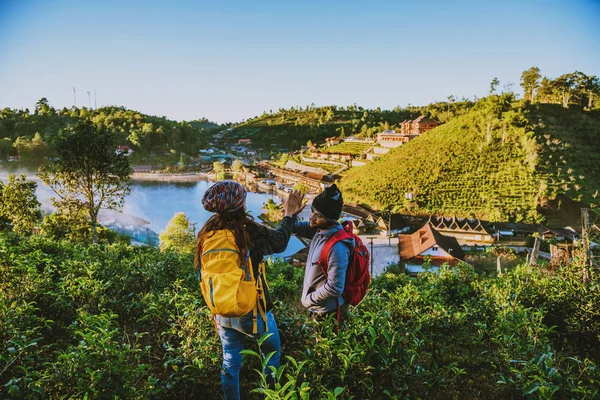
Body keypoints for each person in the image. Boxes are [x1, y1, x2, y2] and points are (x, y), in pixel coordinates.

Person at [195, 180, 305, 400]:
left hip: (222, 312)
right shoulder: (248, 231)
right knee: (271, 355)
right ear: (241, 205)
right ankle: (270, 396)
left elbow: (202, 274)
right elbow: (279, 242)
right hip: (253, 312)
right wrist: (289, 214)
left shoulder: (206, 234)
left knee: (230, 361)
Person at [292, 184, 354, 323]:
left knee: (328, 344)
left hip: (330, 312)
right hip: (319, 308)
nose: (312, 218)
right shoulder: (319, 229)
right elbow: (294, 227)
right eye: (312, 211)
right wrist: (292, 213)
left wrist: (308, 300)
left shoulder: (337, 246)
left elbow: (335, 287)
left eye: (318, 215)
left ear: (331, 220)